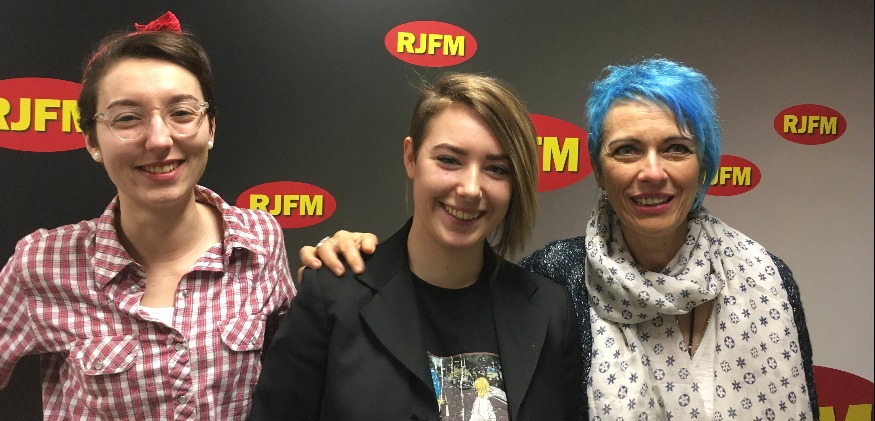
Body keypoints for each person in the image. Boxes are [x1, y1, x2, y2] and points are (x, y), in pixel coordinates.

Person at [301, 58, 819, 420]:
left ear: (704, 164)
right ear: (598, 167)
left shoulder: (769, 280)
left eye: (676, 148)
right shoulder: (557, 281)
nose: (652, 172)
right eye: (627, 150)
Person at [0, 11, 295, 419]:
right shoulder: (42, 265)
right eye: (127, 118)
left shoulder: (261, 240)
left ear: (210, 127)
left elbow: (297, 370)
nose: (159, 139)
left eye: (182, 113)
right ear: (91, 140)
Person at [249, 73, 583, 420]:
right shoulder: (333, 296)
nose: (471, 188)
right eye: (449, 160)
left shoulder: (549, 311)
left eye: (496, 169)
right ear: (411, 158)